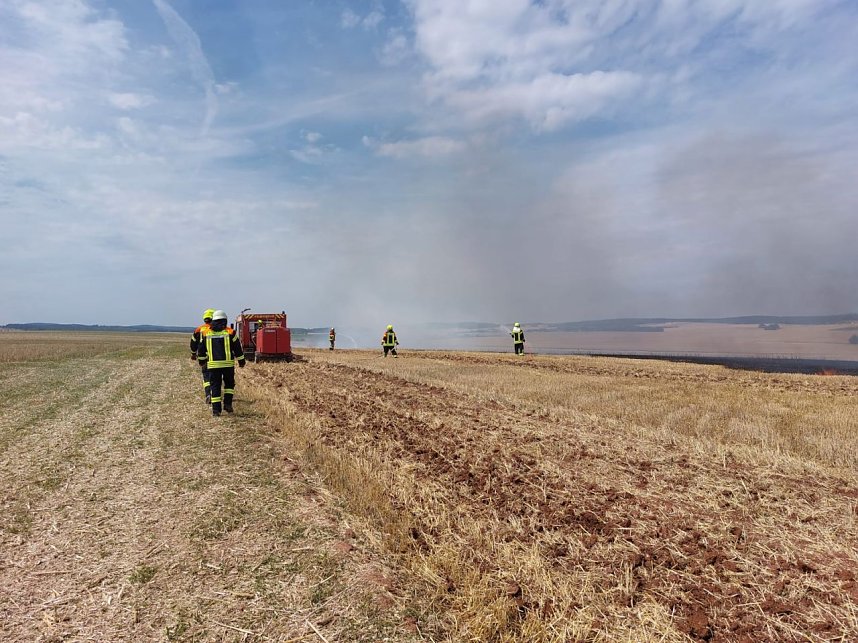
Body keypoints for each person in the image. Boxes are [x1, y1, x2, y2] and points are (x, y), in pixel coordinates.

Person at [197, 310, 246, 416]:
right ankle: (228, 404)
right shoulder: (231, 332)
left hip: (213, 366)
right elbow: (238, 349)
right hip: (228, 365)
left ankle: (216, 411)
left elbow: (201, 350)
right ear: (225, 320)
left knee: (215, 387)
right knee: (229, 385)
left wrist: (202, 361)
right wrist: (241, 361)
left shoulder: (206, 333)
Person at [190, 309, 215, 403]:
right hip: (216, 357)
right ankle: (215, 394)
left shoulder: (199, 329)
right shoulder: (217, 329)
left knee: (206, 377)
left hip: (203, 357)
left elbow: (193, 343)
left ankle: (208, 394)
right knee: (216, 377)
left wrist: (193, 354)